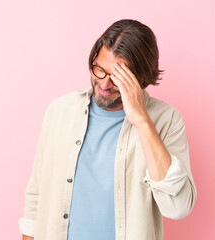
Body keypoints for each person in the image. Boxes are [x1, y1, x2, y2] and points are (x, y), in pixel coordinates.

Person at [18, 19, 197, 240]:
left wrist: (141, 120)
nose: (104, 85)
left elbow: (178, 207)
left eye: (118, 78)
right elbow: (37, 191)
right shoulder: (60, 111)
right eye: (99, 70)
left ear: (141, 77)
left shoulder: (166, 120)